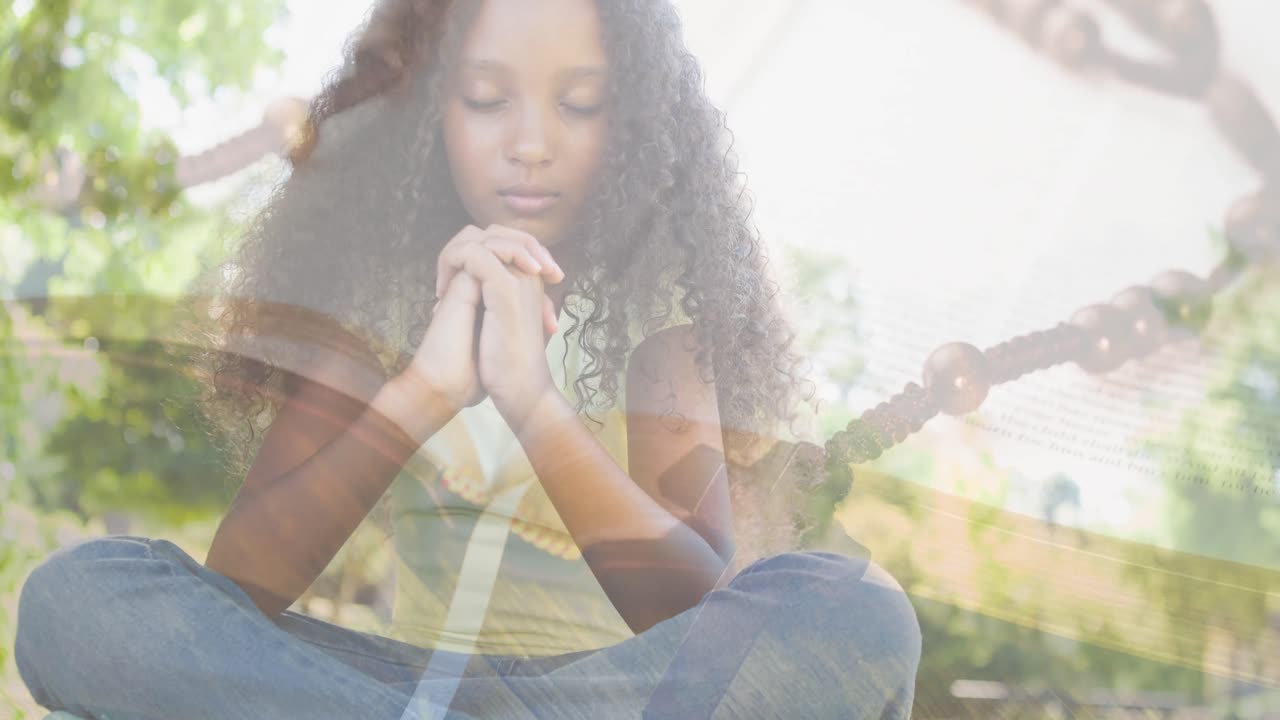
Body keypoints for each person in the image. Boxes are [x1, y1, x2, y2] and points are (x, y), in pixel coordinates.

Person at [14, 0, 922, 717]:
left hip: (612, 699)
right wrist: (428, 389)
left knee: (857, 611)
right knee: (79, 598)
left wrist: (532, 401)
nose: (531, 141)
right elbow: (242, 584)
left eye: (578, 103)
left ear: (633, 119)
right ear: (428, 112)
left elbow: (693, 616)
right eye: (488, 99)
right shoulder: (371, 286)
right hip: (376, 687)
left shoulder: (663, 297)